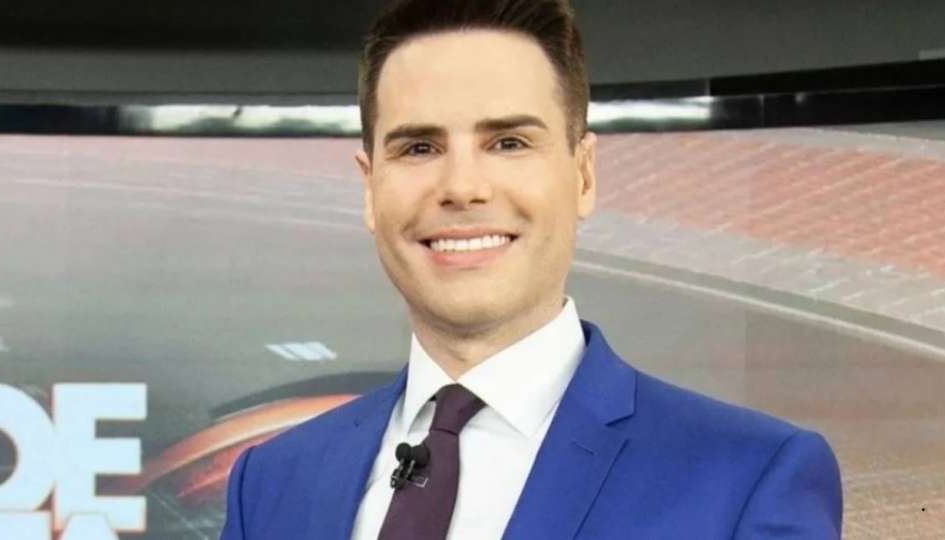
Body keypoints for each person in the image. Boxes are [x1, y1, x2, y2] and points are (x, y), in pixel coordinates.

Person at [218, 0, 843, 538]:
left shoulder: (748, 477)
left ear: (584, 175)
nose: (462, 187)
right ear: (369, 187)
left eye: (509, 142)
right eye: (419, 147)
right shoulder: (270, 484)